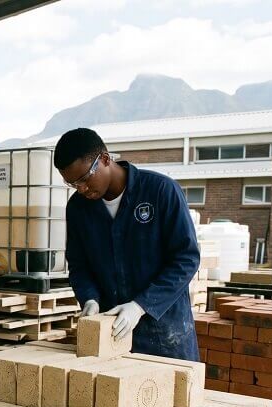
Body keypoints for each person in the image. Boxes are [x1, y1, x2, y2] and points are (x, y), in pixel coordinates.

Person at [55, 127, 200, 360]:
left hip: (164, 334)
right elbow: (79, 265)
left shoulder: (161, 191)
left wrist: (140, 306)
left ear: (104, 159)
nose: (81, 189)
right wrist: (89, 299)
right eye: (72, 184)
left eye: (83, 179)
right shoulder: (78, 208)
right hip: (111, 334)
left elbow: (186, 259)